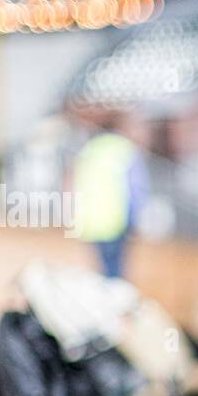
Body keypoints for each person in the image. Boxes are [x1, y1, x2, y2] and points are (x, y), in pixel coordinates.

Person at [71, 112, 148, 278]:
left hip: (91, 223)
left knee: (101, 274)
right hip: (115, 222)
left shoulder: (90, 148)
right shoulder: (125, 149)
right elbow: (136, 189)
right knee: (115, 276)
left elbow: (76, 183)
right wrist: (136, 218)